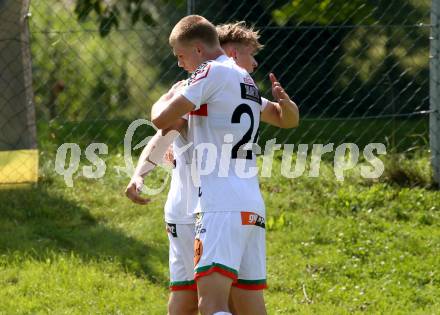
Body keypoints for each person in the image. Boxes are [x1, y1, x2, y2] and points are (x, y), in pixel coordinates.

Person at [126, 19, 298, 315]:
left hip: (218, 205)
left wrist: (166, 98)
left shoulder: (210, 72)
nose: (181, 65)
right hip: (250, 204)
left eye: (181, 56)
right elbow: (287, 119)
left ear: (197, 49)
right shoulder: (244, 82)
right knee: (248, 306)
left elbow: (161, 120)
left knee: (211, 305)